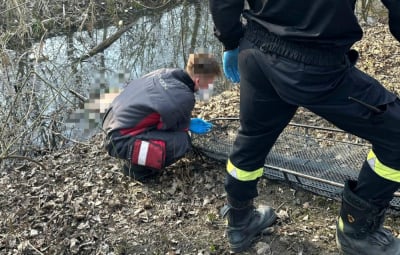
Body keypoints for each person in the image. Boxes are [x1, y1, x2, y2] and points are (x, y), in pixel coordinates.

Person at [209, 0, 400, 254]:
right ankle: (356, 230)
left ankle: (239, 220)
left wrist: (230, 39)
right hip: (315, 67)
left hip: (256, 52)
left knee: (252, 137)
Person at [102, 53, 221, 181]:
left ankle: (137, 157)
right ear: (198, 80)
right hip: (118, 140)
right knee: (182, 142)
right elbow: (166, 127)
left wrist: (187, 122)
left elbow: (163, 108)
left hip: (110, 121)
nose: (209, 86)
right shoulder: (185, 97)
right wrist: (186, 126)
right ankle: (138, 170)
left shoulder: (166, 73)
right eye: (209, 83)